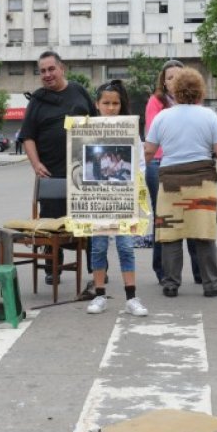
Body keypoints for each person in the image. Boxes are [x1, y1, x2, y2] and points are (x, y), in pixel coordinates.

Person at [144, 67, 217, 298]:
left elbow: (148, 151)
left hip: (170, 182)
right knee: (204, 233)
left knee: (170, 235)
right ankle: (211, 284)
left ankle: (171, 284)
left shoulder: (162, 117)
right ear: (199, 91)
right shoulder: (209, 116)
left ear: (174, 90)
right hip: (201, 180)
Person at [20, 50, 97, 285]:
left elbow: (98, 124)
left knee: (88, 222)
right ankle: (52, 268)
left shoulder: (78, 92)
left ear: (62, 68)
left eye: (51, 69)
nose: (47, 74)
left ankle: (96, 269)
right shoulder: (37, 100)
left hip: (84, 170)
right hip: (51, 172)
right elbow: (28, 136)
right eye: (42, 71)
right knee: (51, 222)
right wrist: (36, 164)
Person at [85, 80, 148, 317]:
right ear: (97, 104)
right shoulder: (86, 130)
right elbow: (80, 162)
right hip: (97, 197)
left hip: (124, 196)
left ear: (122, 105)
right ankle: (99, 294)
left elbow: (140, 164)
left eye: (115, 103)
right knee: (98, 247)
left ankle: (131, 297)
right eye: (106, 103)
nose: (111, 108)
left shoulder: (131, 130)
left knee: (125, 246)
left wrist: (133, 184)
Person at [144, 59, 202, 285]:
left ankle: (199, 272)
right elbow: (153, 138)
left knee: (194, 216)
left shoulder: (196, 103)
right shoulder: (156, 102)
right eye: (169, 77)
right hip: (160, 165)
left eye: (179, 76)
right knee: (164, 219)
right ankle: (162, 271)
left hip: (189, 165)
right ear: (164, 82)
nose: (174, 81)